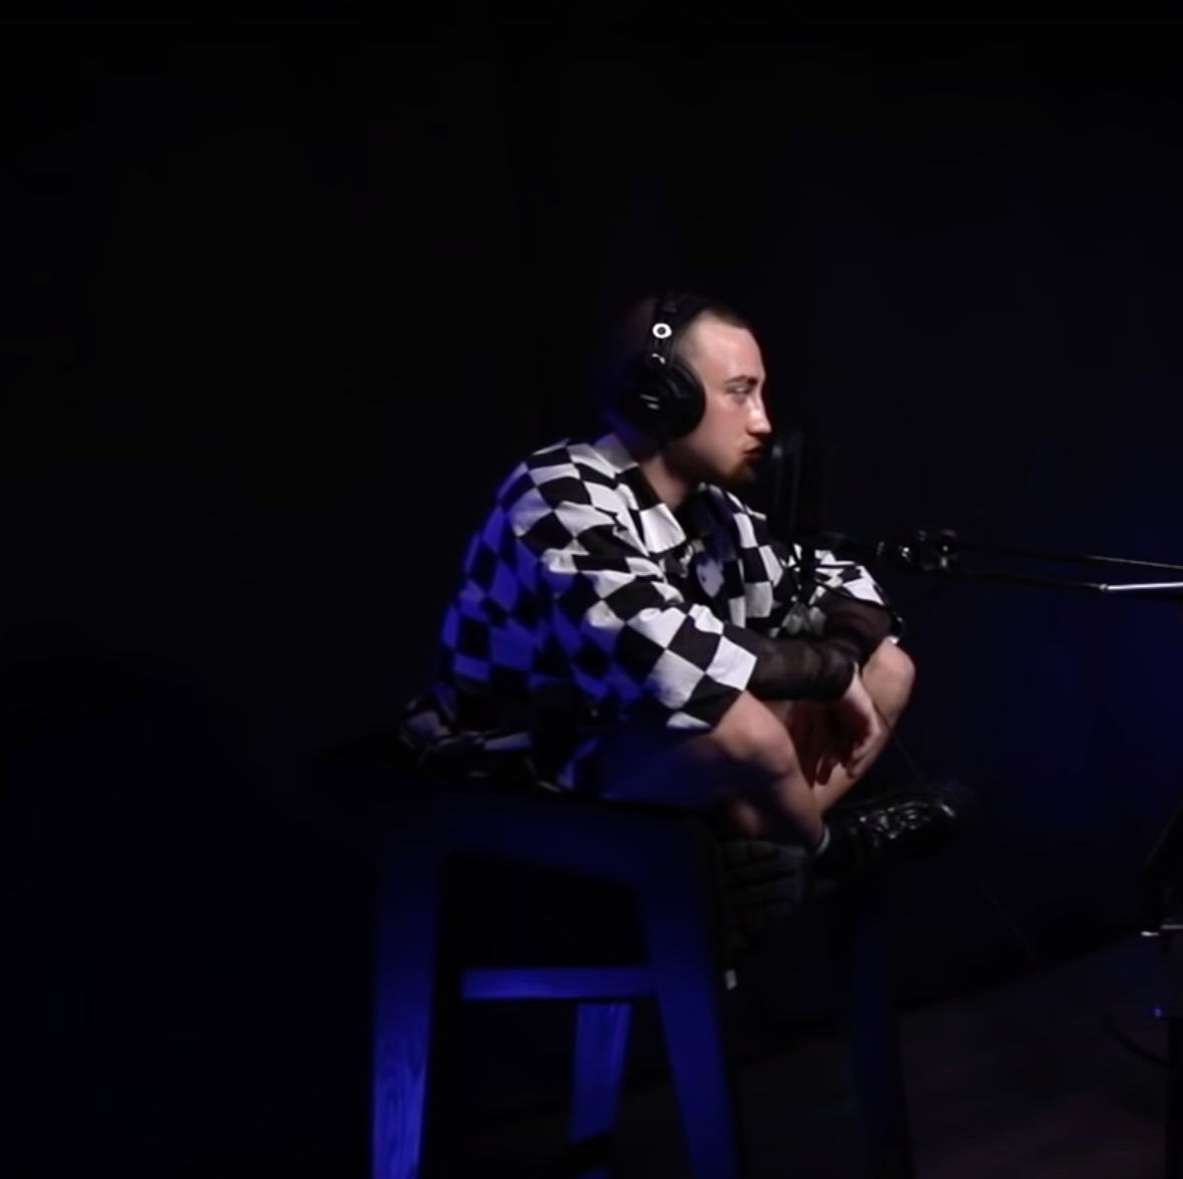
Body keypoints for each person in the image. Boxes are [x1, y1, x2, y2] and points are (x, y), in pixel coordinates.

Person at [399, 291, 969, 893]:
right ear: (662, 398)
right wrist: (826, 672)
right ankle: (822, 854)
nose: (763, 422)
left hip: (624, 748)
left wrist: (844, 656)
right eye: (739, 392)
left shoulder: (716, 512)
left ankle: (759, 864)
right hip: (510, 765)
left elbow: (839, 582)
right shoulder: (556, 492)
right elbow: (660, 652)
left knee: (887, 670)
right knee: (740, 727)